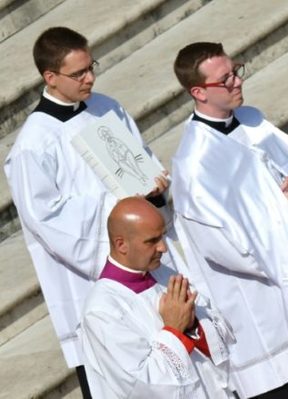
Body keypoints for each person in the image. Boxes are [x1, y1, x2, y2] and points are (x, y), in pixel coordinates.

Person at [4, 27, 179, 397]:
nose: (90, 78)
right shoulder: (33, 146)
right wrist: (117, 209)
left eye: (91, 67)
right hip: (93, 282)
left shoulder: (108, 108)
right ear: (50, 77)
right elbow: (47, 223)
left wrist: (155, 192)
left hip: (149, 266)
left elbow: (144, 163)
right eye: (79, 73)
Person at [170, 42, 288, 399]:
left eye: (236, 70)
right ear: (199, 91)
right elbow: (224, 246)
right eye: (226, 79)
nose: (237, 82)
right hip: (269, 325)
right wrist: (281, 210)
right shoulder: (194, 164)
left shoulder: (255, 122)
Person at [78, 197, 237, 398]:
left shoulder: (162, 274)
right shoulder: (102, 311)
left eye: (162, 236)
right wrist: (173, 329)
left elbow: (221, 328)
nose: (163, 247)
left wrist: (192, 325)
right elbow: (141, 387)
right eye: (152, 241)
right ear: (121, 245)